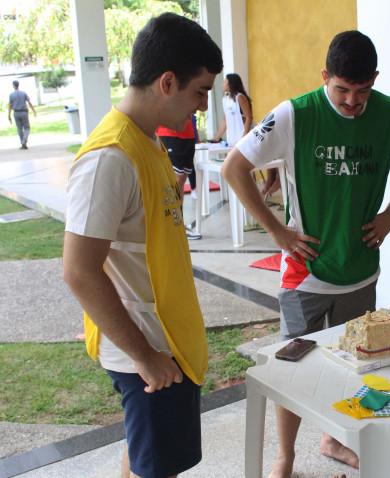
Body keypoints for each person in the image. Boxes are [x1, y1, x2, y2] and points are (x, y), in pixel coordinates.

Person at [221, 30, 390, 478]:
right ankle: (285, 456)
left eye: (362, 91)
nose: (352, 102)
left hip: (360, 270)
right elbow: (234, 167)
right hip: (305, 273)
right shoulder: (295, 114)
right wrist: (278, 231)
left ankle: (335, 438)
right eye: (342, 90)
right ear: (325, 78)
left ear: (374, 80)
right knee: (293, 369)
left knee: (352, 363)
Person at [62, 12, 222, 478]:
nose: (201, 107)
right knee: (156, 468)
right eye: (200, 92)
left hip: (165, 345)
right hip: (148, 354)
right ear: (167, 82)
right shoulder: (109, 159)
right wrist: (144, 358)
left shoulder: (147, 142)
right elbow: (78, 271)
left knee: (147, 460)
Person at [157, 115, 201, 239]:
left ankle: (178, 223)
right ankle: (174, 225)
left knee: (180, 181)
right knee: (175, 181)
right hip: (169, 134)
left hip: (188, 134)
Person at [211, 73, 253, 146]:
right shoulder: (225, 99)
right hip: (231, 140)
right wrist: (216, 138)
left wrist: (244, 137)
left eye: (225, 81)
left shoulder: (239, 97)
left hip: (242, 138)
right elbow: (225, 120)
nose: (223, 84)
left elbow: (249, 117)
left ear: (231, 83)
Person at [7, 80, 36, 150]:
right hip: (24, 113)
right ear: (18, 85)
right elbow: (29, 102)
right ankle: (24, 141)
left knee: (19, 129)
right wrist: (34, 111)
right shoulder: (24, 93)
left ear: (13, 86)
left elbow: (10, 106)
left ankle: (23, 144)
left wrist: (9, 115)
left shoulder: (11, 95)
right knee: (27, 128)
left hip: (16, 113)